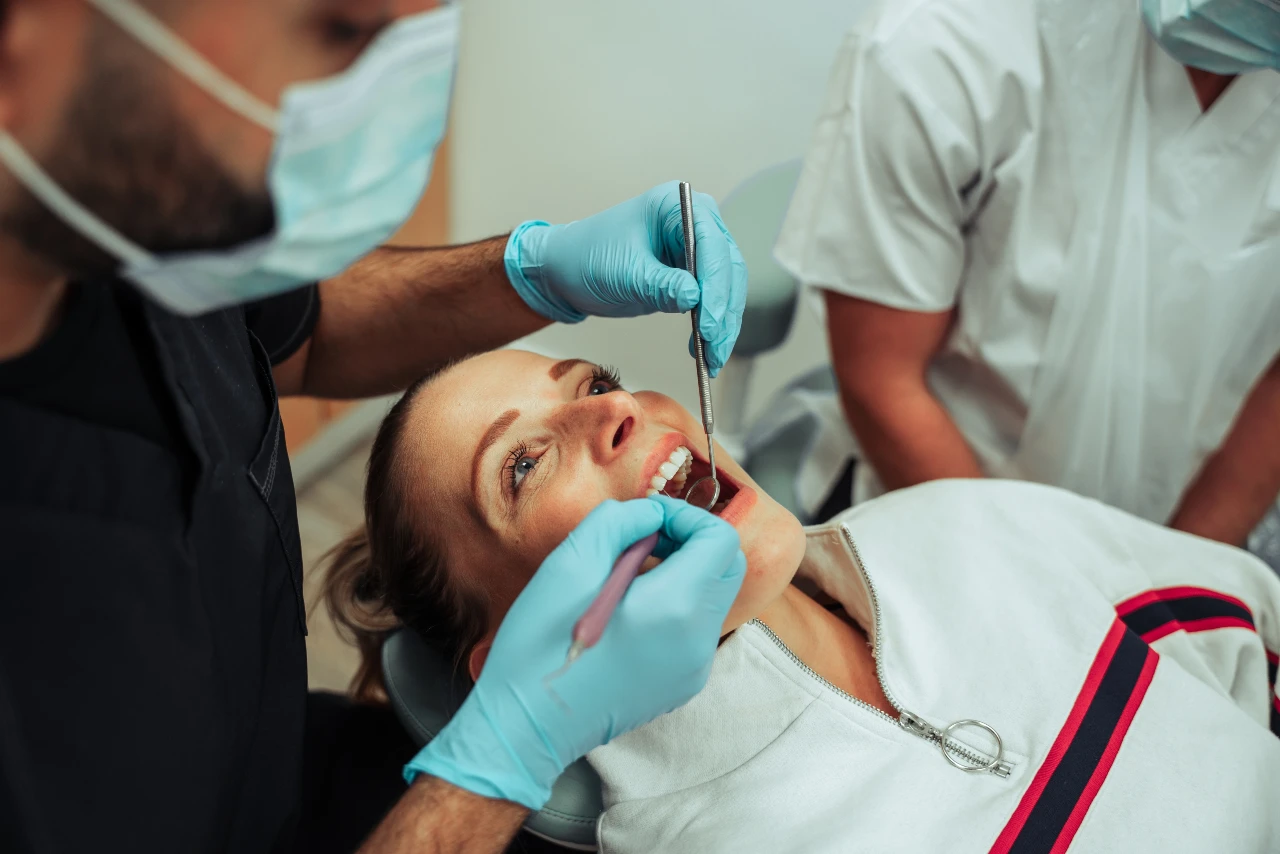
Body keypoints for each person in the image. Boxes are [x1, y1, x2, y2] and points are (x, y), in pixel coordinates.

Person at [0, 1, 750, 852]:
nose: (618, 408)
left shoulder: (130, 217)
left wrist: (532, 275)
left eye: (600, 380)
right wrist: (503, 759)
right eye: (343, 30)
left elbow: (299, 329)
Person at [325, 348, 1280, 853]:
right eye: (524, 464)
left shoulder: (968, 524)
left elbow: (1256, 639)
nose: (614, 408)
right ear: (513, 666)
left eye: (595, 381)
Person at [771, 0, 1280, 557]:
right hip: (941, 508)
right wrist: (1036, 602)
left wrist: (1184, 584)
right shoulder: (940, 47)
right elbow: (882, 379)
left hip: (1187, 524)